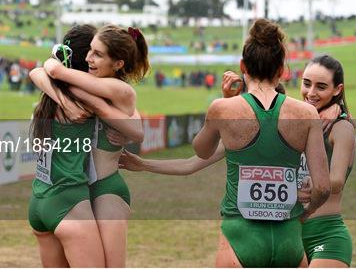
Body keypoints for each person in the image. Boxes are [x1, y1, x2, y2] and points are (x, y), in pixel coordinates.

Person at [121, 19, 331, 267]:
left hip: (240, 235)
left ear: (243, 66)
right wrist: (304, 214)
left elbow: (200, 151)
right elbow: (323, 188)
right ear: (282, 70)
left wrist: (222, 107)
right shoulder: (307, 114)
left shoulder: (222, 109)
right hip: (289, 236)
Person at [40, 25, 149, 267]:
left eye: (98, 54)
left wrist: (62, 88)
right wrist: (62, 95)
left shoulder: (116, 89)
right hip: (78, 190)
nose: (90, 58)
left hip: (105, 189)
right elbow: (42, 72)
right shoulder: (93, 83)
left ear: (118, 63)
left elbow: (54, 71)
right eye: (90, 51)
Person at [27, 25, 105, 267]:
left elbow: (38, 71)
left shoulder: (49, 94)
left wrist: (57, 88)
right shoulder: (87, 94)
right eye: (95, 53)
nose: (96, 59)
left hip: (39, 201)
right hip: (69, 201)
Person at [298, 55, 356, 268]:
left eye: (321, 87)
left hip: (326, 236)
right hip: (288, 234)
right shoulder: (297, 121)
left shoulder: (341, 127)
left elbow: (337, 180)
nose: (311, 93)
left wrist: (312, 185)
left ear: (337, 89)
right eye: (306, 83)